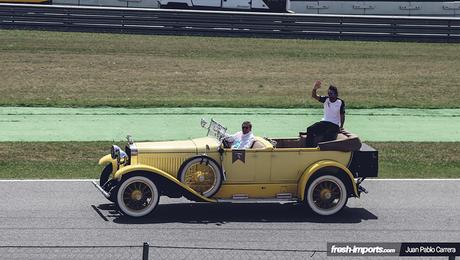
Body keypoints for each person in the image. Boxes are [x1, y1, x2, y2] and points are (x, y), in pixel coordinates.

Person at [305, 80, 345, 147]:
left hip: (334, 125)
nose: (329, 95)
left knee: (327, 135)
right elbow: (314, 96)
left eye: (331, 94)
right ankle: (309, 148)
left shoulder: (340, 102)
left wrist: (341, 127)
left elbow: (342, 115)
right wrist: (315, 89)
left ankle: (322, 149)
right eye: (328, 93)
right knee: (310, 129)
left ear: (336, 94)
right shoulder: (326, 99)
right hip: (324, 122)